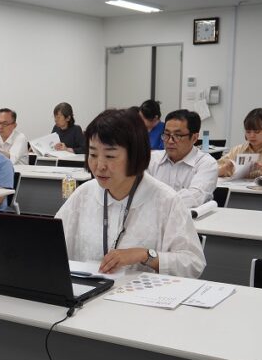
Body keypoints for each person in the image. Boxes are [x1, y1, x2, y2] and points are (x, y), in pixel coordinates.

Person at [55, 108, 206, 278]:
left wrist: (145, 255)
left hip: (142, 300)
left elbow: (193, 263)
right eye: (93, 154)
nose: (99, 165)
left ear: (135, 155)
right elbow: (51, 245)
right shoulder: (83, 195)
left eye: (110, 156)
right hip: (87, 297)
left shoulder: (166, 201)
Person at [148, 109, 218, 209]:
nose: (170, 141)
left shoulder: (206, 164)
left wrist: (153, 202)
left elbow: (193, 198)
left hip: (192, 222)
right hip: (153, 221)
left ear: (194, 138)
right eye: (167, 135)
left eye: (177, 135)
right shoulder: (152, 159)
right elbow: (139, 191)